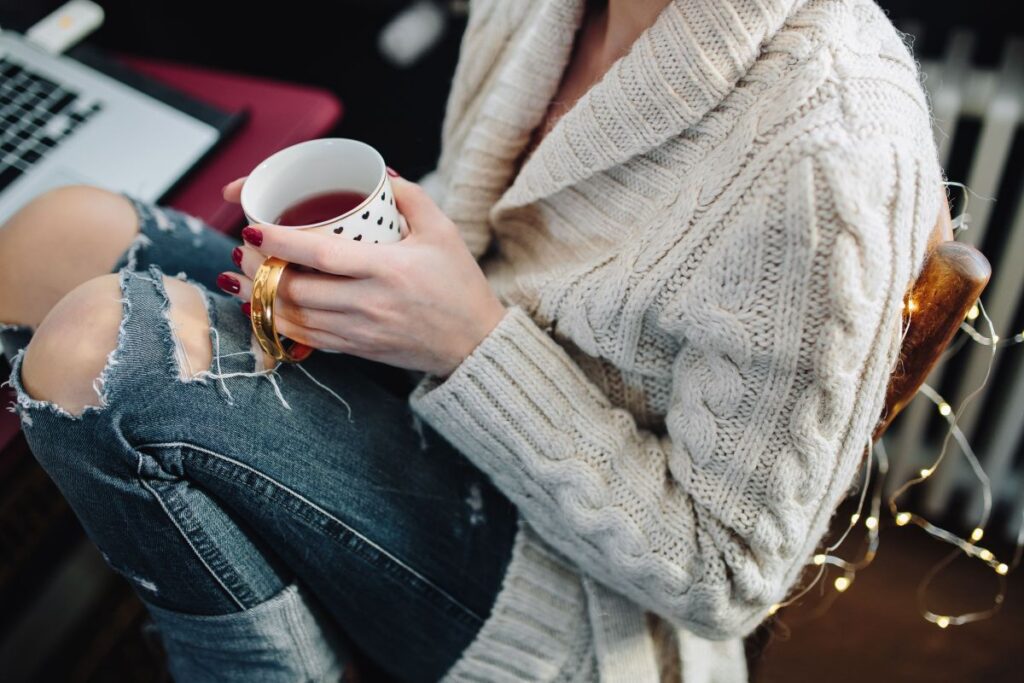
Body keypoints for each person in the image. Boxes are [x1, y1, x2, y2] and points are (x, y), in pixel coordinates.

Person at [0, 0, 943, 680]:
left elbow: (726, 574)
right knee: (56, 231)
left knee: (98, 349)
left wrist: (467, 339)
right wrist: (358, 286)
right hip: (424, 408)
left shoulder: (829, 153)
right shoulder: (544, 12)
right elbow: (493, 232)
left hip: (572, 595)